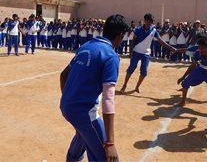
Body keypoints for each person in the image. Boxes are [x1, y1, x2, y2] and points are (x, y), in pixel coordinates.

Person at [60, 14, 130, 162]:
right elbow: (108, 99)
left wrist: (68, 102)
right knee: (108, 158)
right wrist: (110, 143)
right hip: (83, 111)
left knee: (83, 134)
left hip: (67, 106)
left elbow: (63, 75)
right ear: (120, 36)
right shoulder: (111, 56)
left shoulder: (86, 46)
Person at [120, 13, 176, 94]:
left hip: (146, 54)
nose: (148, 22)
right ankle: (124, 85)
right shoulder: (138, 29)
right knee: (132, 68)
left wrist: (171, 48)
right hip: (136, 51)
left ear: (152, 22)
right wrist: (131, 51)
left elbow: (160, 41)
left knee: (144, 72)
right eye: (146, 21)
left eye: (150, 21)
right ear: (144, 20)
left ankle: (137, 86)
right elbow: (133, 41)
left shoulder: (153, 30)